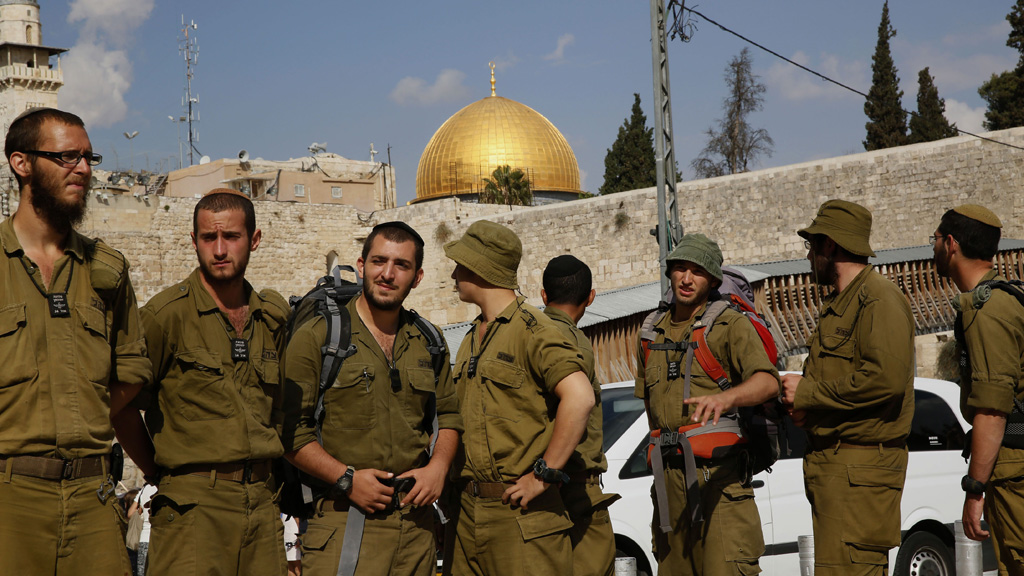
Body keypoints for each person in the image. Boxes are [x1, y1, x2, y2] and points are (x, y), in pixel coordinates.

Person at [0, 107, 151, 575]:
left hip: (92, 498)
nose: (83, 169)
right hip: (11, 500)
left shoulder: (105, 270)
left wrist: (79, 409)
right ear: (21, 163)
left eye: (89, 157)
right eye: (67, 157)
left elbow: (130, 372)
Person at [115, 188, 291, 576]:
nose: (220, 249)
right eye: (209, 238)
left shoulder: (272, 319)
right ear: (194, 242)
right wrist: (157, 471)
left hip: (262, 505)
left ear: (255, 240)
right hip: (194, 508)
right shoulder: (166, 316)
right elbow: (121, 404)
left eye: (231, 237)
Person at [281, 221, 461, 576]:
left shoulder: (428, 339)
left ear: (418, 276)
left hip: (415, 532)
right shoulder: (319, 337)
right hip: (342, 527)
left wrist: (438, 468)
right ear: (361, 266)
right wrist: (346, 478)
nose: (388, 274)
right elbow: (288, 432)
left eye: (402, 265)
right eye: (379, 261)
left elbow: (450, 417)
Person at [442, 220, 595, 576]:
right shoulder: (472, 337)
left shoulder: (534, 330)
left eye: (460, 264)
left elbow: (580, 397)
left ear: (481, 268)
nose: (453, 273)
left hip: (522, 519)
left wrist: (543, 475)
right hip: (467, 516)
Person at [781, 199, 915, 576]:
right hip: (837, 472)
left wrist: (807, 394)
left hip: (860, 475)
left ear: (830, 246)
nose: (809, 257)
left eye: (812, 246)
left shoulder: (879, 299)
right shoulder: (840, 303)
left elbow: (884, 380)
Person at [634, 233, 778, 576]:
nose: (686, 279)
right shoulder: (650, 332)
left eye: (696, 271)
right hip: (669, 488)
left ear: (712, 279)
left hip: (720, 486)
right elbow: (649, 408)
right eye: (680, 269)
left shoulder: (730, 325)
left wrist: (726, 397)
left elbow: (768, 381)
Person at [932, 204, 1024, 574]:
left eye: (935, 239)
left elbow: (992, 409)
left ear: (951, 244)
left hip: (1015, 472)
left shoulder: (987, 310)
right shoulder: (1008, 296)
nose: (933, 248)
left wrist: (974, 489)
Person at [540, 255, 619, 576]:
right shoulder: (573, 342)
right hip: (573, 488)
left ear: (544, 295)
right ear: (591, 297)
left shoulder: (529, 334)